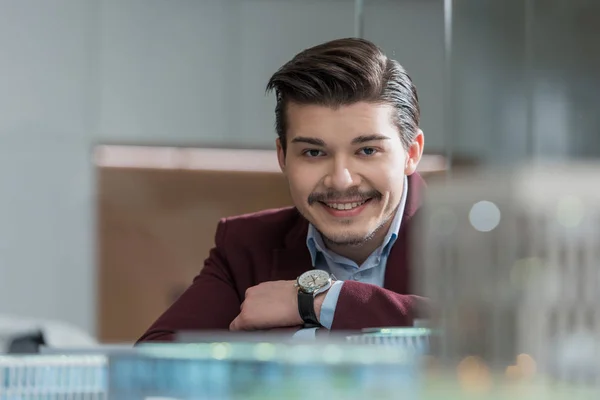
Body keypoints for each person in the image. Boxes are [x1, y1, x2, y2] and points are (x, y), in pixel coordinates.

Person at [137, 37, 427, 342]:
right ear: (282, 156)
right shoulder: (246, 245)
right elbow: (155, 357)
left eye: (367, 151)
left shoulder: (467, 235)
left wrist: (318, 301)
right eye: (314, 153)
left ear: (411, 153)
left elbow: (476, 336)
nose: (341, 180)